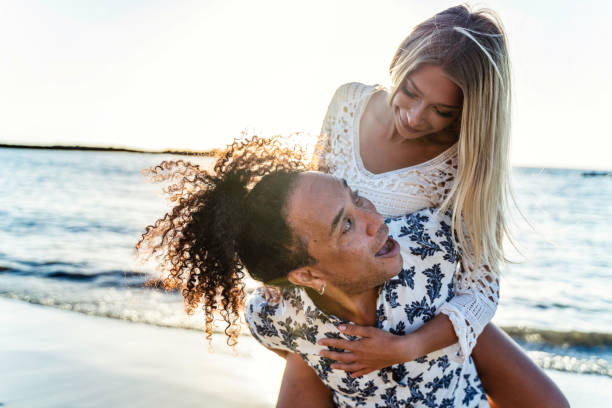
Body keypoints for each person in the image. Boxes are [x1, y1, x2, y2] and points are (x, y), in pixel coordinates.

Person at [266, 4, 568, 407]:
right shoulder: (347, 103)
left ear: (466, 111)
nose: (413, 116)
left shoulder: (465, 162)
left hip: (426, 314)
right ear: (402, 57)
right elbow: (311, 204)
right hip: (337, 304)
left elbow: (479, 292)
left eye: (442, 111)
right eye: (410, 91)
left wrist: (406, 348)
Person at [138, 136, 491, 406]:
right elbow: (265, 325)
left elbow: (483, 292)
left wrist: (408, 347)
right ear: (306, 276)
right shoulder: (276, 316)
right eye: (347, 226)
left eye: (356, 197)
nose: (377, 219)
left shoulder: (430, 242)